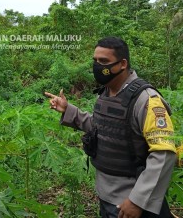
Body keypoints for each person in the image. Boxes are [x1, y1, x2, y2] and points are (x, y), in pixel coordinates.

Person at [45, 37, 176, 218]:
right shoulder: (107, 92)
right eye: (95, 61)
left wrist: (137, 201)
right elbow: (101, 128)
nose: (98, 66)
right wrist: (69, 110)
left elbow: (164, 154)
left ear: (122, 64)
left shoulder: (146, 100)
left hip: (131, 203)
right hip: (106, 196)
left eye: (104, 61)